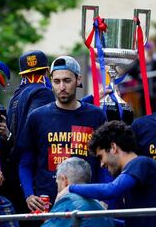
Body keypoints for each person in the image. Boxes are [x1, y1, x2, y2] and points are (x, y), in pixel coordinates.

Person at [18, 55, 108, 214]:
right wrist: (29, 195)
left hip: (87, 205)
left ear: (78, 80)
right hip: (48, 206)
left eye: (67, 80)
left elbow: (105, 164)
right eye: (57, 81)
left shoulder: (96, 116)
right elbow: (25, 161)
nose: (62, 87)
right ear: (50, 81)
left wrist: (105, 198)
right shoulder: (37, 117)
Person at [67, 120, 156, 227]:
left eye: (101, 157)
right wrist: (99, 219)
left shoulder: (141, 163)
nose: (101, 164)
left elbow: (110, 190)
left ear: (113, 148)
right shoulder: (133, 176)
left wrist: (70, 188)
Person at [5, 50, 55, 217]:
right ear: (47, 71)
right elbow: (38, 124)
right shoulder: (43, 92)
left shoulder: (15, 96)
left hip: (15, 170)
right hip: (32, 174)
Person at [42, 157, 114, 227]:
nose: (57, 188)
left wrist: (55, 207)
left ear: (64, 180)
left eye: (57, 183)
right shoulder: (100, 205)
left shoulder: (68, 201)